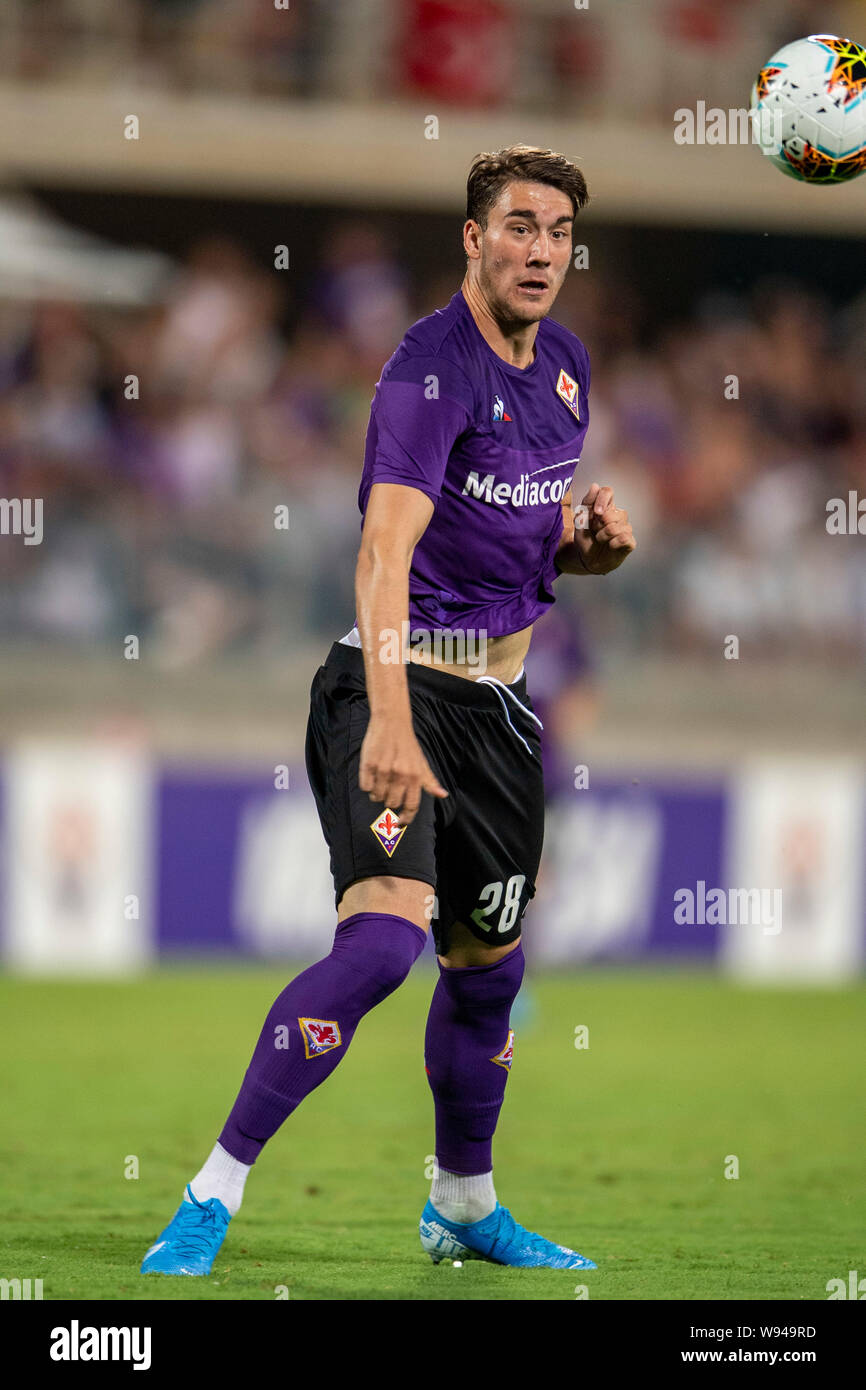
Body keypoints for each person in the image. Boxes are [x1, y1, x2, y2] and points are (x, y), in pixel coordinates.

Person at [141, 144, 636, 1277]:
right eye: (517, 226)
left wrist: (588, 550)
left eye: (557, 232)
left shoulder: (562, 364)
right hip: (392, 683)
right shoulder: (427, 370)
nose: (539, 250)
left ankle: (462, 1205)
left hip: (501, 707)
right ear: (472, 238)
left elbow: (517, 544)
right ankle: (211, 1192)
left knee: (488, 970)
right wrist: (391, 713)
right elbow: (385, 547)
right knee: (377, 946)